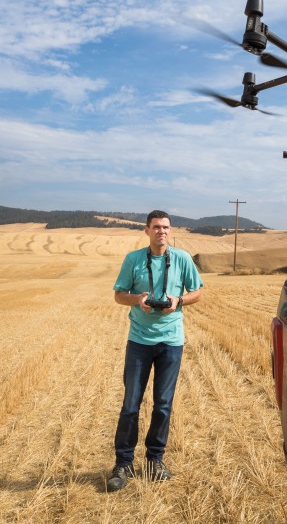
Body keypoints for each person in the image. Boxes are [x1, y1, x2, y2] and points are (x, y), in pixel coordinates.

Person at [106, 210, 203, 492]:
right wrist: (137, 300)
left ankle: (155, 460)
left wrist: (179, 300)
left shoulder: (183, 259)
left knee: (163, 405)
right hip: (139, 341)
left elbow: (198, 292)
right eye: (156, 227)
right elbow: (118, 294)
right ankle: (123, 464)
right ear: (146, 230)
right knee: (130, 405)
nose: (162, 231)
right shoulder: (133, 260)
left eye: (166, 227)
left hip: (171, 342)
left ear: (170, 231)